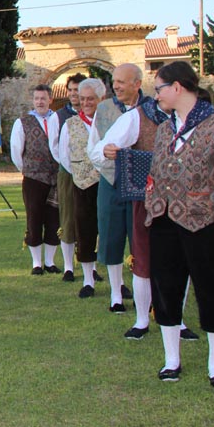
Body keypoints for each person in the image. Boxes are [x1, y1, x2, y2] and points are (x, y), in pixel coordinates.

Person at [145, 62, 214, 387]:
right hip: (164, 221)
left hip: (207, 223)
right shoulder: (164, 129)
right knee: (166, 288)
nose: (156, 95)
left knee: (211, 289)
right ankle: (171, 360)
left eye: (159, 88)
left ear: (177, 87)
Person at [94, 78, 199, 341]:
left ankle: (178, 319)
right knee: (143, 260)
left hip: (183, 200)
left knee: (181, 260)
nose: (158, 93)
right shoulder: (136, 117)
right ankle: (142, 320)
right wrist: (107, 150)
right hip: (147, 199)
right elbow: (98, 149)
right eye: (158, 89)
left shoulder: (193, 118)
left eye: (162, 88)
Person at [87, 64, 143, 313]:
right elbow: (94, 147)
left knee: (141, 239)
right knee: (111, 237)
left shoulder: (150, 109)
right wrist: (105, 161)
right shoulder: (104, 109)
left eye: (121, 81)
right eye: (114, 81)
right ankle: (116, 293)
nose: (116, 86)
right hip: (111, 181)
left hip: (142, 185)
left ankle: (144, 294)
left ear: (137, 84)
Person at [10, 85, 61, 275]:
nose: (40, 102)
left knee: (54, 219)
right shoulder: (22, 122)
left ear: (50, 100)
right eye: (37, 98)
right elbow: (16, 151)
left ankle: (50, 262)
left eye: (43, 98)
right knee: (34, 218)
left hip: (55, 177)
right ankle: (36, 263)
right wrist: (28, 170)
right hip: (33, 178)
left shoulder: (57, 119)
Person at [62, 79, 106, 299]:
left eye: (91, 99)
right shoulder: (70, 124)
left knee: (111, 231)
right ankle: (88, 279)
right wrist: (81, 171)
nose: (86, 103)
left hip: (108, 183)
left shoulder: (111, 122)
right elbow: (64, 155)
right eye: (83, 99)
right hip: (83, 184)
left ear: (101, 99)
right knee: (85, 230)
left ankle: (118, 281)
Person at [55, 73, 86, 281]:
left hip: (91, 175)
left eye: (78, 90)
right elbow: (55, 147)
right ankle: (68, 267)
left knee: (89, 219)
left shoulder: (95, 115)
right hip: (68, 172)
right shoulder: (59, 116)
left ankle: (90, 265)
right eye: (72, 90)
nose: (74, 94)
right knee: (67, 218)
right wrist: (72, 168)